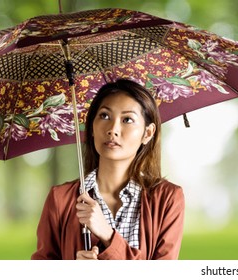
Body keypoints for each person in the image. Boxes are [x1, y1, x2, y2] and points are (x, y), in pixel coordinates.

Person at [31, 79, 185, 260]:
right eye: (104, 116)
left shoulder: (167, 199)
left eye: (127, 119)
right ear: (92, 127)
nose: (113, 129)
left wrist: (107, 235)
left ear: (148, 133)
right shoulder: (60, 199)